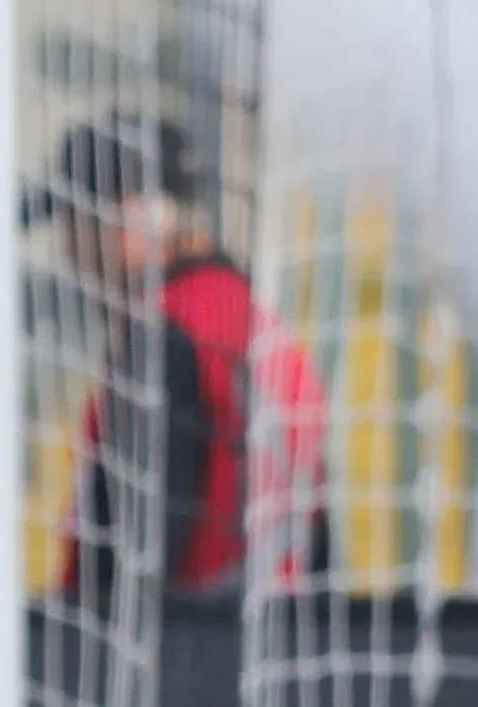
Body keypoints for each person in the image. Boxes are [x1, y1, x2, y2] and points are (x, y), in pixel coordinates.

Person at [33, 114, 329, 603]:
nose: (70, 253)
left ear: (130, 215)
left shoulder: (161, 335)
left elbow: (136, 544)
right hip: (265, 638)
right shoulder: (260, 325)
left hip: (186, 647)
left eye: (74, 225)